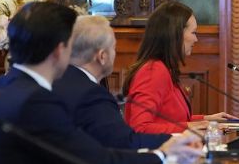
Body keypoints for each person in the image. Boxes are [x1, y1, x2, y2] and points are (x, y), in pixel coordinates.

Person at [0, 2, 201, 164]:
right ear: (60, 50)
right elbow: (100, 163)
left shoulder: (7, 85)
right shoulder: (35, 101)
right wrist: (164, 155)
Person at [52, 15, 170, 149]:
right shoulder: (91, 95)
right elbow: (125, 143)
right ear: (102, 56)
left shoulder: (55, 81)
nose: (115, 53)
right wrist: (176, 139)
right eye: (114, 48)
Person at [123, 1, 232, 133]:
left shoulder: (163, 68)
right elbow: (140, 128)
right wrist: (191, 126)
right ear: (175, 34)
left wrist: (206, 119)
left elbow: (171, 120)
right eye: (193, 33)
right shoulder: (153, 71)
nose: (196, 39)